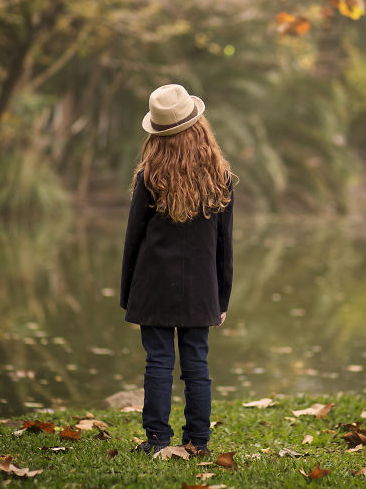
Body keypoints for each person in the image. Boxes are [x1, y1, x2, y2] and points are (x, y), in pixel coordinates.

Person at [120, 84, 235, 457]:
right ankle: (197, 441)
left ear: (157, 136)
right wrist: (222, 297)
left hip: (153, 287)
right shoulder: (220, 178)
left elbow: (133, 239)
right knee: (196, 364)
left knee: (158, 362)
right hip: (202, 289)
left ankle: (157, 439)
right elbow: (224, 247)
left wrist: (128, 295)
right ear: (199, 127)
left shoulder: (149, 177)